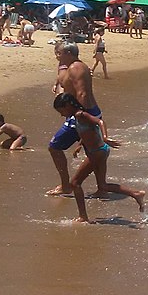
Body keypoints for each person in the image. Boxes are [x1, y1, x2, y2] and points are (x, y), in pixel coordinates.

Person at [52, 93, 145, 222]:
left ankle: (83, 216)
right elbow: (88, 132)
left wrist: (105, 137)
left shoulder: (81, 115)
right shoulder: (78, 116)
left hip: (97, 152)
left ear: (67, 106)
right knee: (103, 185)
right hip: (101, 151)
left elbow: (100, 122)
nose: (61, 114)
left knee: (74, 183)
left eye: (61, 111)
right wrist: (80, 145)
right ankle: (135, 194)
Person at [47, 42, 110, 196]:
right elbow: (63, 78)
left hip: (83, 113)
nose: (57, 56)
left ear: (69, 53)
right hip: (83, 113)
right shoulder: (70, 66)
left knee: (54, 147)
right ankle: (102, 188)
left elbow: (82, 94)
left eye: (59, 53)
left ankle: (66, 186)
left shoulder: (76, 67)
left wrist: (81, 117)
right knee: (92, 152)